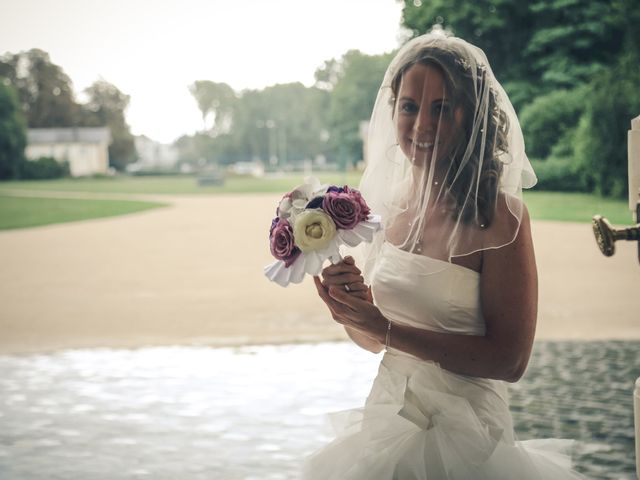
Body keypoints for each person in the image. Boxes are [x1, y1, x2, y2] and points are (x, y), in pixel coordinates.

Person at [305, 31, 585, 479]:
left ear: (471, 117)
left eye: (442, 108)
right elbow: (374, 340)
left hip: (468, 439)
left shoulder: (502, 217)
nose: (421, 126)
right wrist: (353, 311)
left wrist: (387, 328)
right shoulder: (390, 208)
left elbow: (510, 361)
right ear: (392, 109)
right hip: (387, 424)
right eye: (410, 107)